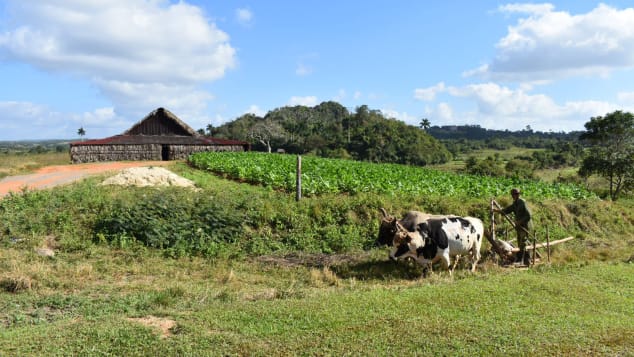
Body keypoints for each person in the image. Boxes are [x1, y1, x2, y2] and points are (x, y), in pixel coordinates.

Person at [495, 188, 532, 264]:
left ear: (518, 195)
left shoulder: (522, 202)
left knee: (524, 243)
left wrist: (520, 221)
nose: (515, 196)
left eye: (516, 194)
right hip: (519, 227)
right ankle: (522, 259)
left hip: (525, 226)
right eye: (514, 194)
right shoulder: (515, 203)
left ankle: (526, 260)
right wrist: (498, 211)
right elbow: (508, 210)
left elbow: (528, 215)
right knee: (520, 242)